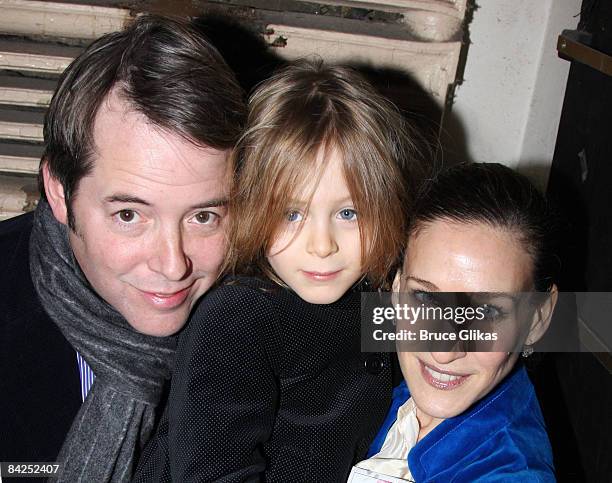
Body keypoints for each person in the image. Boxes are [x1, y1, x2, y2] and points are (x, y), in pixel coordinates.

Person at [134, 59, 425, 481]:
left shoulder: (373, 298)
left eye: (348, 212)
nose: (322, 245)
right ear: (252, 206)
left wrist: (538, 318)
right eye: (292, 214)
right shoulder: (238, 320)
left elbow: (490, 325)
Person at [0, 15, 245, 482]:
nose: (173, 265)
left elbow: (405, 314)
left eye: (204, 217)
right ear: (59, 191)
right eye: (129, 216)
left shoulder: (279, 286)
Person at [350, 162, 559, 482]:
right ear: (395, 289)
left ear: (537, 319)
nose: (444, 351)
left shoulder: (509, 474)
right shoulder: (377, 386)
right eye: (426, 298)